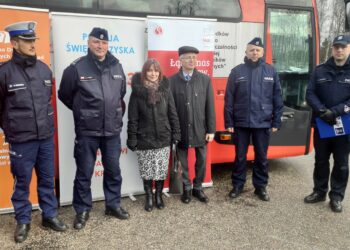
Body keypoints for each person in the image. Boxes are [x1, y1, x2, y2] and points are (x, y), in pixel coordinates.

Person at [0, 21, 67, 243]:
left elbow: (46, 101)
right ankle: (23, 220)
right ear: (15, 42)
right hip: (22, 140)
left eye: (33, 40)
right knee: (22, 182)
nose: (31, 44)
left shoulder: (44, 69)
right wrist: (12, 129)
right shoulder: (5, 73)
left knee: (47, 180)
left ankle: (49, 215)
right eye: (27, 41)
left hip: (46, 138)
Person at [58, 27, 129, 230]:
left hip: (112, 131)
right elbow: (65, 94)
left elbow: (120, 95)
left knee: (114, 171)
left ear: (108, 44)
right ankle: (82, 210)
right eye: (96, 42)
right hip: (87, 131)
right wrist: (83, 111)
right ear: (89, 43)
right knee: (84, 172)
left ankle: (113, 205)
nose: (100, 46)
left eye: (104, 42)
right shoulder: (76, 68)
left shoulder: (117, 66)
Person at [224, 37, 283, 201]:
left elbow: (277, 98)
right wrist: (229, 122)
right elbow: (229, 99)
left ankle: (261, 187)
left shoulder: (271, 72)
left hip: (263, 122)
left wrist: (276, 121)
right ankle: (237, 185)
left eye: (257, 50)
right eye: (251, 50)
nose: (254, 52)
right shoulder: (237, 72)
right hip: (241, 122)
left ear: (262, 52)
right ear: (246, 52)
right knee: (240, 157)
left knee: (262, 157)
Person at [127, 59, 181, 212]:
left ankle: (159, 195)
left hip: (164, 137)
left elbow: (173, 113)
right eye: (150, 70)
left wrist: (176, 132)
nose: (153, 73)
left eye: (156, 70)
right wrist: (132, 137)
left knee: (160, 169)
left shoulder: (165, 90)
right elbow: (133, 118)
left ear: (159, 72)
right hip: (144, 138)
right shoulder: (137, 93)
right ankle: (149, 197)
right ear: (145, 72)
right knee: (147, 170)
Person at [304, 35, 350, 213]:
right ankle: (319, 191)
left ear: (348, 49)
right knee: (321, 160)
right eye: (336, 47)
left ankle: (336, 196)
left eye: (343, 47)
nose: (339, 50)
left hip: (344, 125)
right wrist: (322, 111)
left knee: (341, 163)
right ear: (332, 49)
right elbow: (310, 93)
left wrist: (336, 111)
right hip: (323, 123)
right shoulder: (320, 70)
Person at [169, 46, 216, 204]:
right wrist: (173, 130)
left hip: (200, 129)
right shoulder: (172, 81)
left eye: (194, 57)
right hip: (180, 129)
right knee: (182, 161)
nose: (192, 60)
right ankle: (187, 188)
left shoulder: (205, 80)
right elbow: (170, 108)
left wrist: (211, 129)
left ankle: (198, 188)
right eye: (188, 57)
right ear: (180, 60)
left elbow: (210, 106)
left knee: (201, 160)